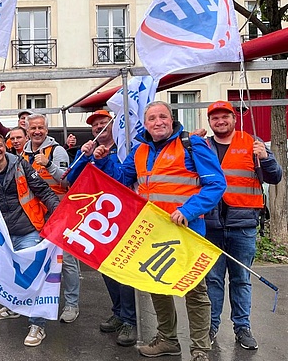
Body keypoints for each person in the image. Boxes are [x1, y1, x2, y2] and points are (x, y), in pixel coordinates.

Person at [94, 101, 226, 361]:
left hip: (187, 231)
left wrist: (187, 211)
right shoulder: (140, 150)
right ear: (145, 124)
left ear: (171, 119)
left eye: (162, 117)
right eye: (152, 118)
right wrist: (105, 160)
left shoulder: (192, 144)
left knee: (194, 290)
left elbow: (216, 184)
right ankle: (168, 340)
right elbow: (121, 180)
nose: (158, 122)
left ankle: (200, 347)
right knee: (158, 285)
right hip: (153, 232)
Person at [198, 100, 282, 350]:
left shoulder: (253, 144)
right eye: (215, 118)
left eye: (225, 117)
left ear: (234, 119)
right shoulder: (203, 146)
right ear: (210, 122)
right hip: (211, 225)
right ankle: (210, 328)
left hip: (243, 225)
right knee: (212, 280)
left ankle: (242, 328)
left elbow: (275, 176)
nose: (220, 121)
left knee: (241, 279)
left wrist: (265, 158)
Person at [0, 132, 59, 347]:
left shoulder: (21, 165)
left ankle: (37, 324)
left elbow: (43, 190)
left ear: (6, 146)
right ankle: (12, 307)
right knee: (8, 274)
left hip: (28, 230)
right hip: (3, 235)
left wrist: (59, 213)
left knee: (33, 277)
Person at [65, 109, 137, 346]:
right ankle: (118, 312)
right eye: (95, 125)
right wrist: (84, 157)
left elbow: (122, 180)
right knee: (105, 269)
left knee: (123, 271)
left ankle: (129, 320)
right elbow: (71, 181)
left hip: (122, 219)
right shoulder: (87, 151)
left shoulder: (125, 149)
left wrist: (105, 159)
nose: (99, 128)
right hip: (98, 221)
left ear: (113, 125)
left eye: (103, 123)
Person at [21, 114, 80, 324]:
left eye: (41, 128)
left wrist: (48, 165)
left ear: (47, 130)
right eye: (33, 128)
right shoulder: (22, 153)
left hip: (59, 213)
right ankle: (39, 302)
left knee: (67, 262)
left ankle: (72, 304)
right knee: (39, 261)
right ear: (27, 130)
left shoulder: (58, 151)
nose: (37, 131)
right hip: (34, 216)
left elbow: (66, 182)